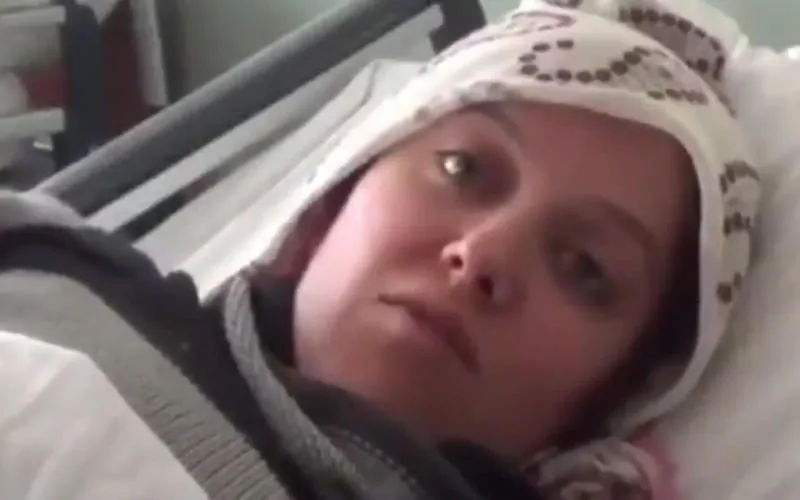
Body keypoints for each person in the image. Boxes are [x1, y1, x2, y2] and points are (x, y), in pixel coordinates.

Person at [0, 0, 759, 499]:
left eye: (585, 268)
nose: (483, 253)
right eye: (462, 169)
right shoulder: (55, 262)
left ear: (609, 401)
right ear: (331, 204)